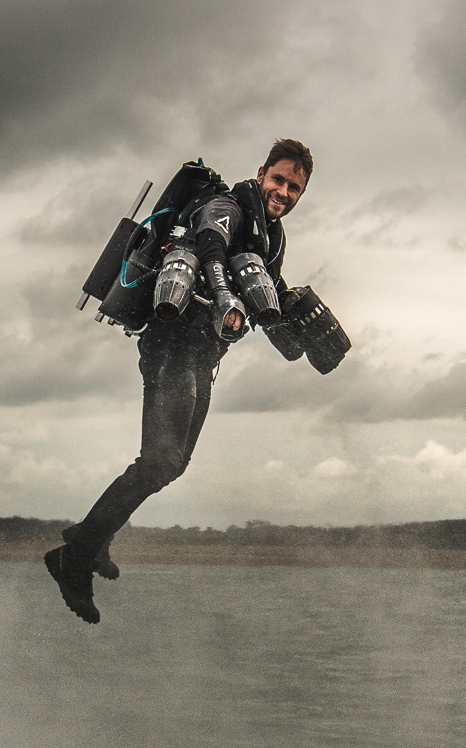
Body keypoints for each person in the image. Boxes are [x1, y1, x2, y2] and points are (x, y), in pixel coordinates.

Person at [45, 138, 314, 623]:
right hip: (171, 343)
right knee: (160, 459)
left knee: (172, 463)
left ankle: (93, 538)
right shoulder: (227, 207)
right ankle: (76, 556)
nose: (284, 192)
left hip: (202, 352)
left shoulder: (272, 235)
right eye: (279, 180)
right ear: (261, 173)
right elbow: (211, 247)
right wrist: (225, 294)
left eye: (295, 187)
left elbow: (267, 287)